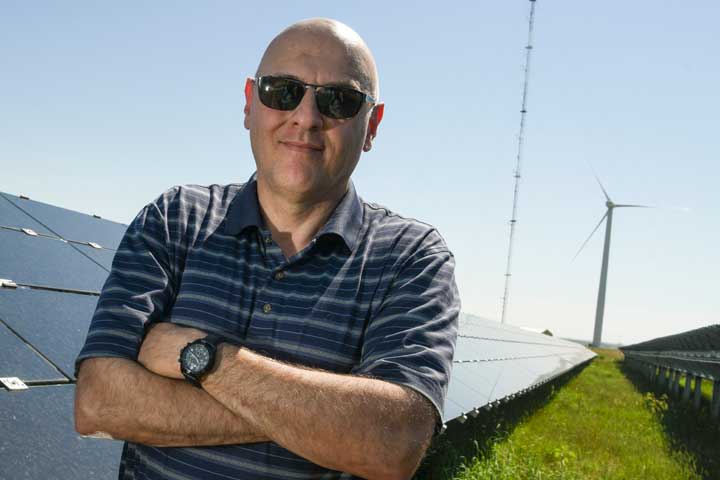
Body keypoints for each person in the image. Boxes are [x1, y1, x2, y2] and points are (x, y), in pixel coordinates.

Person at [74, 17, 459, 480]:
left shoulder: (412, 258)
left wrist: (202, 358)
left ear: (371, 126)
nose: (306, 117)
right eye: (282, 91)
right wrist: (323, 420)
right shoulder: (176, 218)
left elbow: (393, 443)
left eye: (340, 100)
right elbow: (98, 402)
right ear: (248, 104)